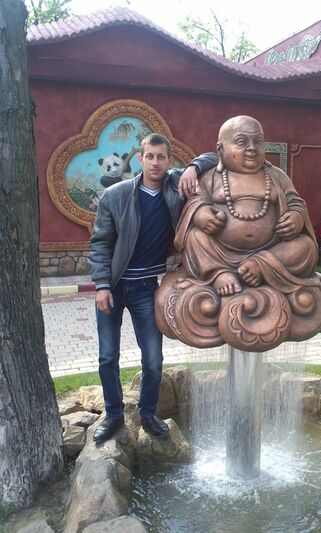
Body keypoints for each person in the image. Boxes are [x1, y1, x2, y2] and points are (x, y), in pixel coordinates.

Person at [88, 133, 217, 443]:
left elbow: (214, 157)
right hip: (113, 287)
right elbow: (100, 243)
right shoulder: (116, 195)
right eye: (150, 156)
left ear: (169, 160)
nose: (155, 162)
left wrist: (193, 167)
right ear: (141, 159)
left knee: (153, 359)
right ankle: (114, 415)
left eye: (161, 157)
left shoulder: (176, 187)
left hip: (146, 289)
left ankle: (148, 414)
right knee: (108, 357)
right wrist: (102, 285)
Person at [174, 115, 318, 296]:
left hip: (270, 249)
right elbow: (195, 201)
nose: (252, 148)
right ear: (220, 149)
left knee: (306, 246)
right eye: (241, 142)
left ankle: (259, 266)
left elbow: (295, 202)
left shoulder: (277, 175)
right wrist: (200, 213)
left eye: (258, 142)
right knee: (195, 237)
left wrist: (296, 217)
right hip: (221, 253)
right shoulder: (210, 177)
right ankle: (219, 273)